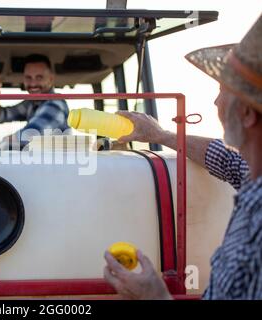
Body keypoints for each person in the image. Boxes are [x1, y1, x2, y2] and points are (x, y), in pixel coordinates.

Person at [103, 15, 262, 299]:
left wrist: (156, 295)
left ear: (247, 114)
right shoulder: (252, 179)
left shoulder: (257, 223)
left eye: (221, 90)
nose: (215, 102)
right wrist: (160, 135)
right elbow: (226, 161)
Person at [0, 54, 70, 149]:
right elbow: (0, 116)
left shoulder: (56, 104)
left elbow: (29, 135)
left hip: (58, 162)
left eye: (39, 77)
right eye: (28, 78)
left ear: (51, 79)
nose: (33, 83)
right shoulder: (31, 103)